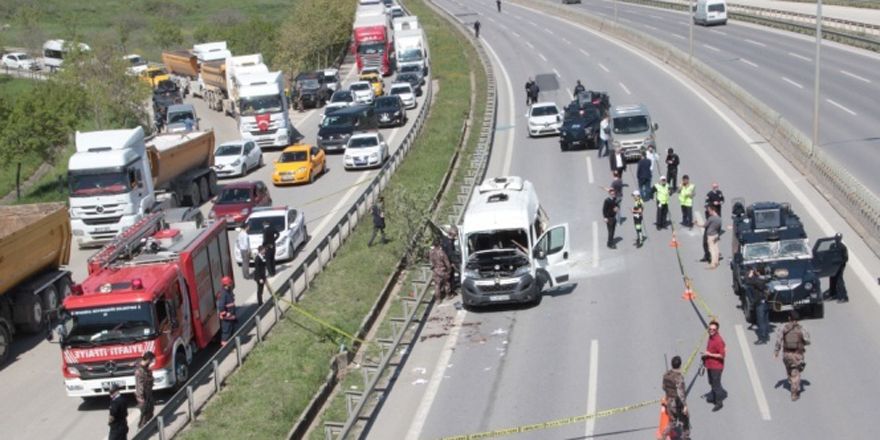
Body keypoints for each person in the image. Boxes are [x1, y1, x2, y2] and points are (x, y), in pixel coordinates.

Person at [774, 311, 810, 401]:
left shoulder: (783, 328)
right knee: (795, 374)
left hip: (786, 356)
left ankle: (791, 380)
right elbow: (808, 340)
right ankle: (794, 393)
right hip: (797, 355)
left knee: (790, 370)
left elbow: (778, 340)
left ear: (789, 318)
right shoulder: (802, 329)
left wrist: (776, 352)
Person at [662, 356, 690, 440]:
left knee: (672, 421)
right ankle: (685, 437)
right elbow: (681, 393)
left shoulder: (666, 375)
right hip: (677, 402)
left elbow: (663, 387)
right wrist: (685, 406)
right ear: (680, 365)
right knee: (685, 420)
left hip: (669, 401)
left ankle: (664, 435)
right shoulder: (679, 377)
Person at [702, 320, 727, 411]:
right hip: (710, 365)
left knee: (716, 385)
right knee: (711, 382)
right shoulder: (711, 337)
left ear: (717, 330)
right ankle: (713, 396)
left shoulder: (718, 340)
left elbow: (722, 355)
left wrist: (709, 354)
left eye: (713, 329)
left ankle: (719, 402)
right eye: (710, 329)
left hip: (716, 367)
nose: (711, 330)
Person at [746, 265, 771, 344]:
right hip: (766, 302)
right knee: (766, 320)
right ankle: (766, 335)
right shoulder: (766, 279)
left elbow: (748, 280)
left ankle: (762, 338)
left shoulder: (757, 280)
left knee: (761, 321)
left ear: (758, 272)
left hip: (760, 303)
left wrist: (750, 274)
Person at [135, 351, 156, 429]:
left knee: (150, 411)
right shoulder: (139, 371)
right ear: (148, 359)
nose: (151, 362)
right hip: (143, 396)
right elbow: (139, 386)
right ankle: (141, 430)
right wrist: (141, 399)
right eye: (151, 360)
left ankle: (150, 427)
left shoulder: (146, 368)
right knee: (144, 413)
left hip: (148, 394)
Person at [217, 276, 237, 347]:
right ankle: (225, 349)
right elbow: (221, 306)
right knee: (226, 333)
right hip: (226, 318)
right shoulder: (223, 294)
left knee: (231, 331)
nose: (231, 284)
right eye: (230, 283)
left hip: (231, 317)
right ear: (226, 284)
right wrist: (225, 313)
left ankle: (231, 346)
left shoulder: (228, 291)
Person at [829, 233, 849, 303]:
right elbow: (829, 255)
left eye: (838, 238)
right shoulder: (832, 246)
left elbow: (846, 258)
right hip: (833, 266)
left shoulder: (843, 247)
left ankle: (843, 296)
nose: (837, 239)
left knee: (839, 280)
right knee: (832, 279)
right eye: (836, 238)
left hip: (840, 266)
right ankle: (833, 294)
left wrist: (839, 262)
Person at [441, 226, 460, 291]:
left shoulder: (444, 239)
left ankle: (449, 290)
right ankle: (451, 290)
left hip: (443, 262)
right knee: (450, 276)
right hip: (448, 262)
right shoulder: (449, 242)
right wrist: (453, 262)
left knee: (448, 277)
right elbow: (450, 254)